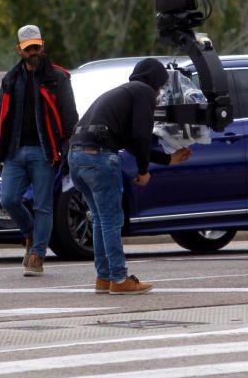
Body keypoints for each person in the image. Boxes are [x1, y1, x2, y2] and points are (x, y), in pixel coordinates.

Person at [69, 58, 192, 295]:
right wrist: (144, 171)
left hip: (76, 157)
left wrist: (166, 159)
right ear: (155, 81)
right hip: (99, 158)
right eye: (161, 87)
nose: (159, 94)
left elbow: (130, 142)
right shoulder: (144, 92)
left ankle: (104, 277)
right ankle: (119, 278)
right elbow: (140, 136)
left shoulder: (122, 93)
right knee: (111, 220)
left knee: (100, 219)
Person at [0, 24, 78, 276]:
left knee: (43, 206)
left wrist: (66, 151)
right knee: (8, 199)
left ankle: (38, 254)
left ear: (43, 46)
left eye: (36, 47)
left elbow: (70, 118)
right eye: (28, 48)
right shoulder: (10, 78)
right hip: (14, 152)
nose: (33, 52)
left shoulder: (58, 77)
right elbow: (0, 117)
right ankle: (30, 234)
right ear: (19, 50)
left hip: (45, 152)